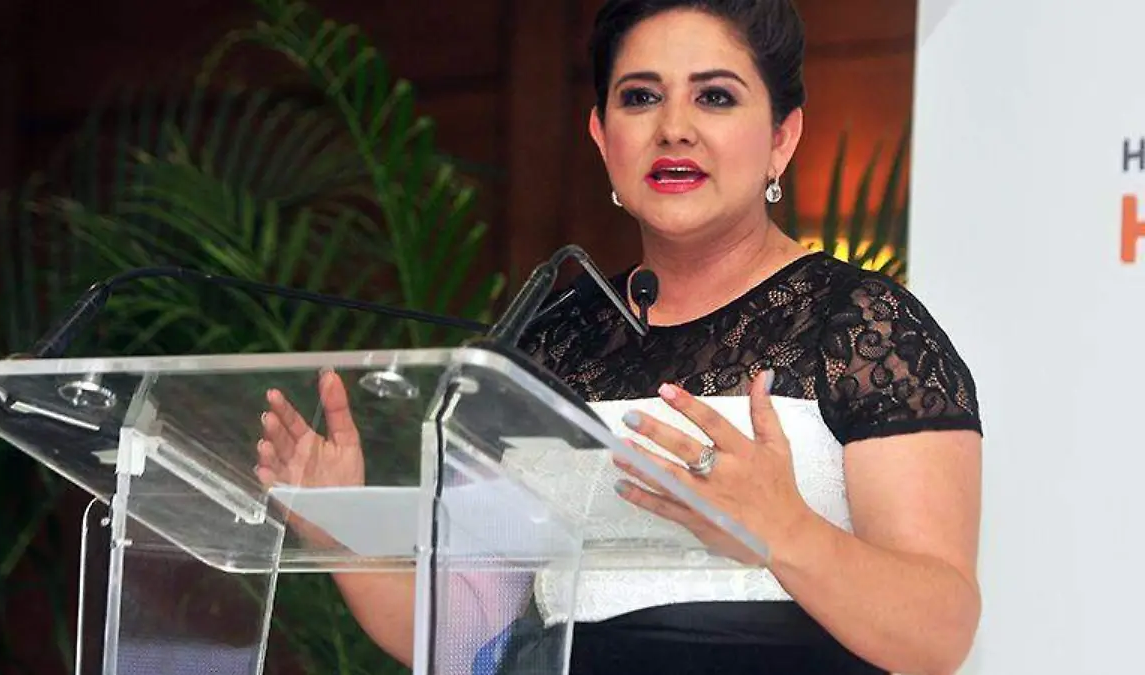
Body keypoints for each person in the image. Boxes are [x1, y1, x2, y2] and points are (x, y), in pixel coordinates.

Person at [256, 1, 984, 673]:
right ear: (603, 137)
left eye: (715, 96)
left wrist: (786, 531)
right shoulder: (546, 344)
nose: (674, 127)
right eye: (640, 97)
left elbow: (938, 629)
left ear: (781, 138)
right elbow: (466, 628)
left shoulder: (866, 325)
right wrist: (336, 525)